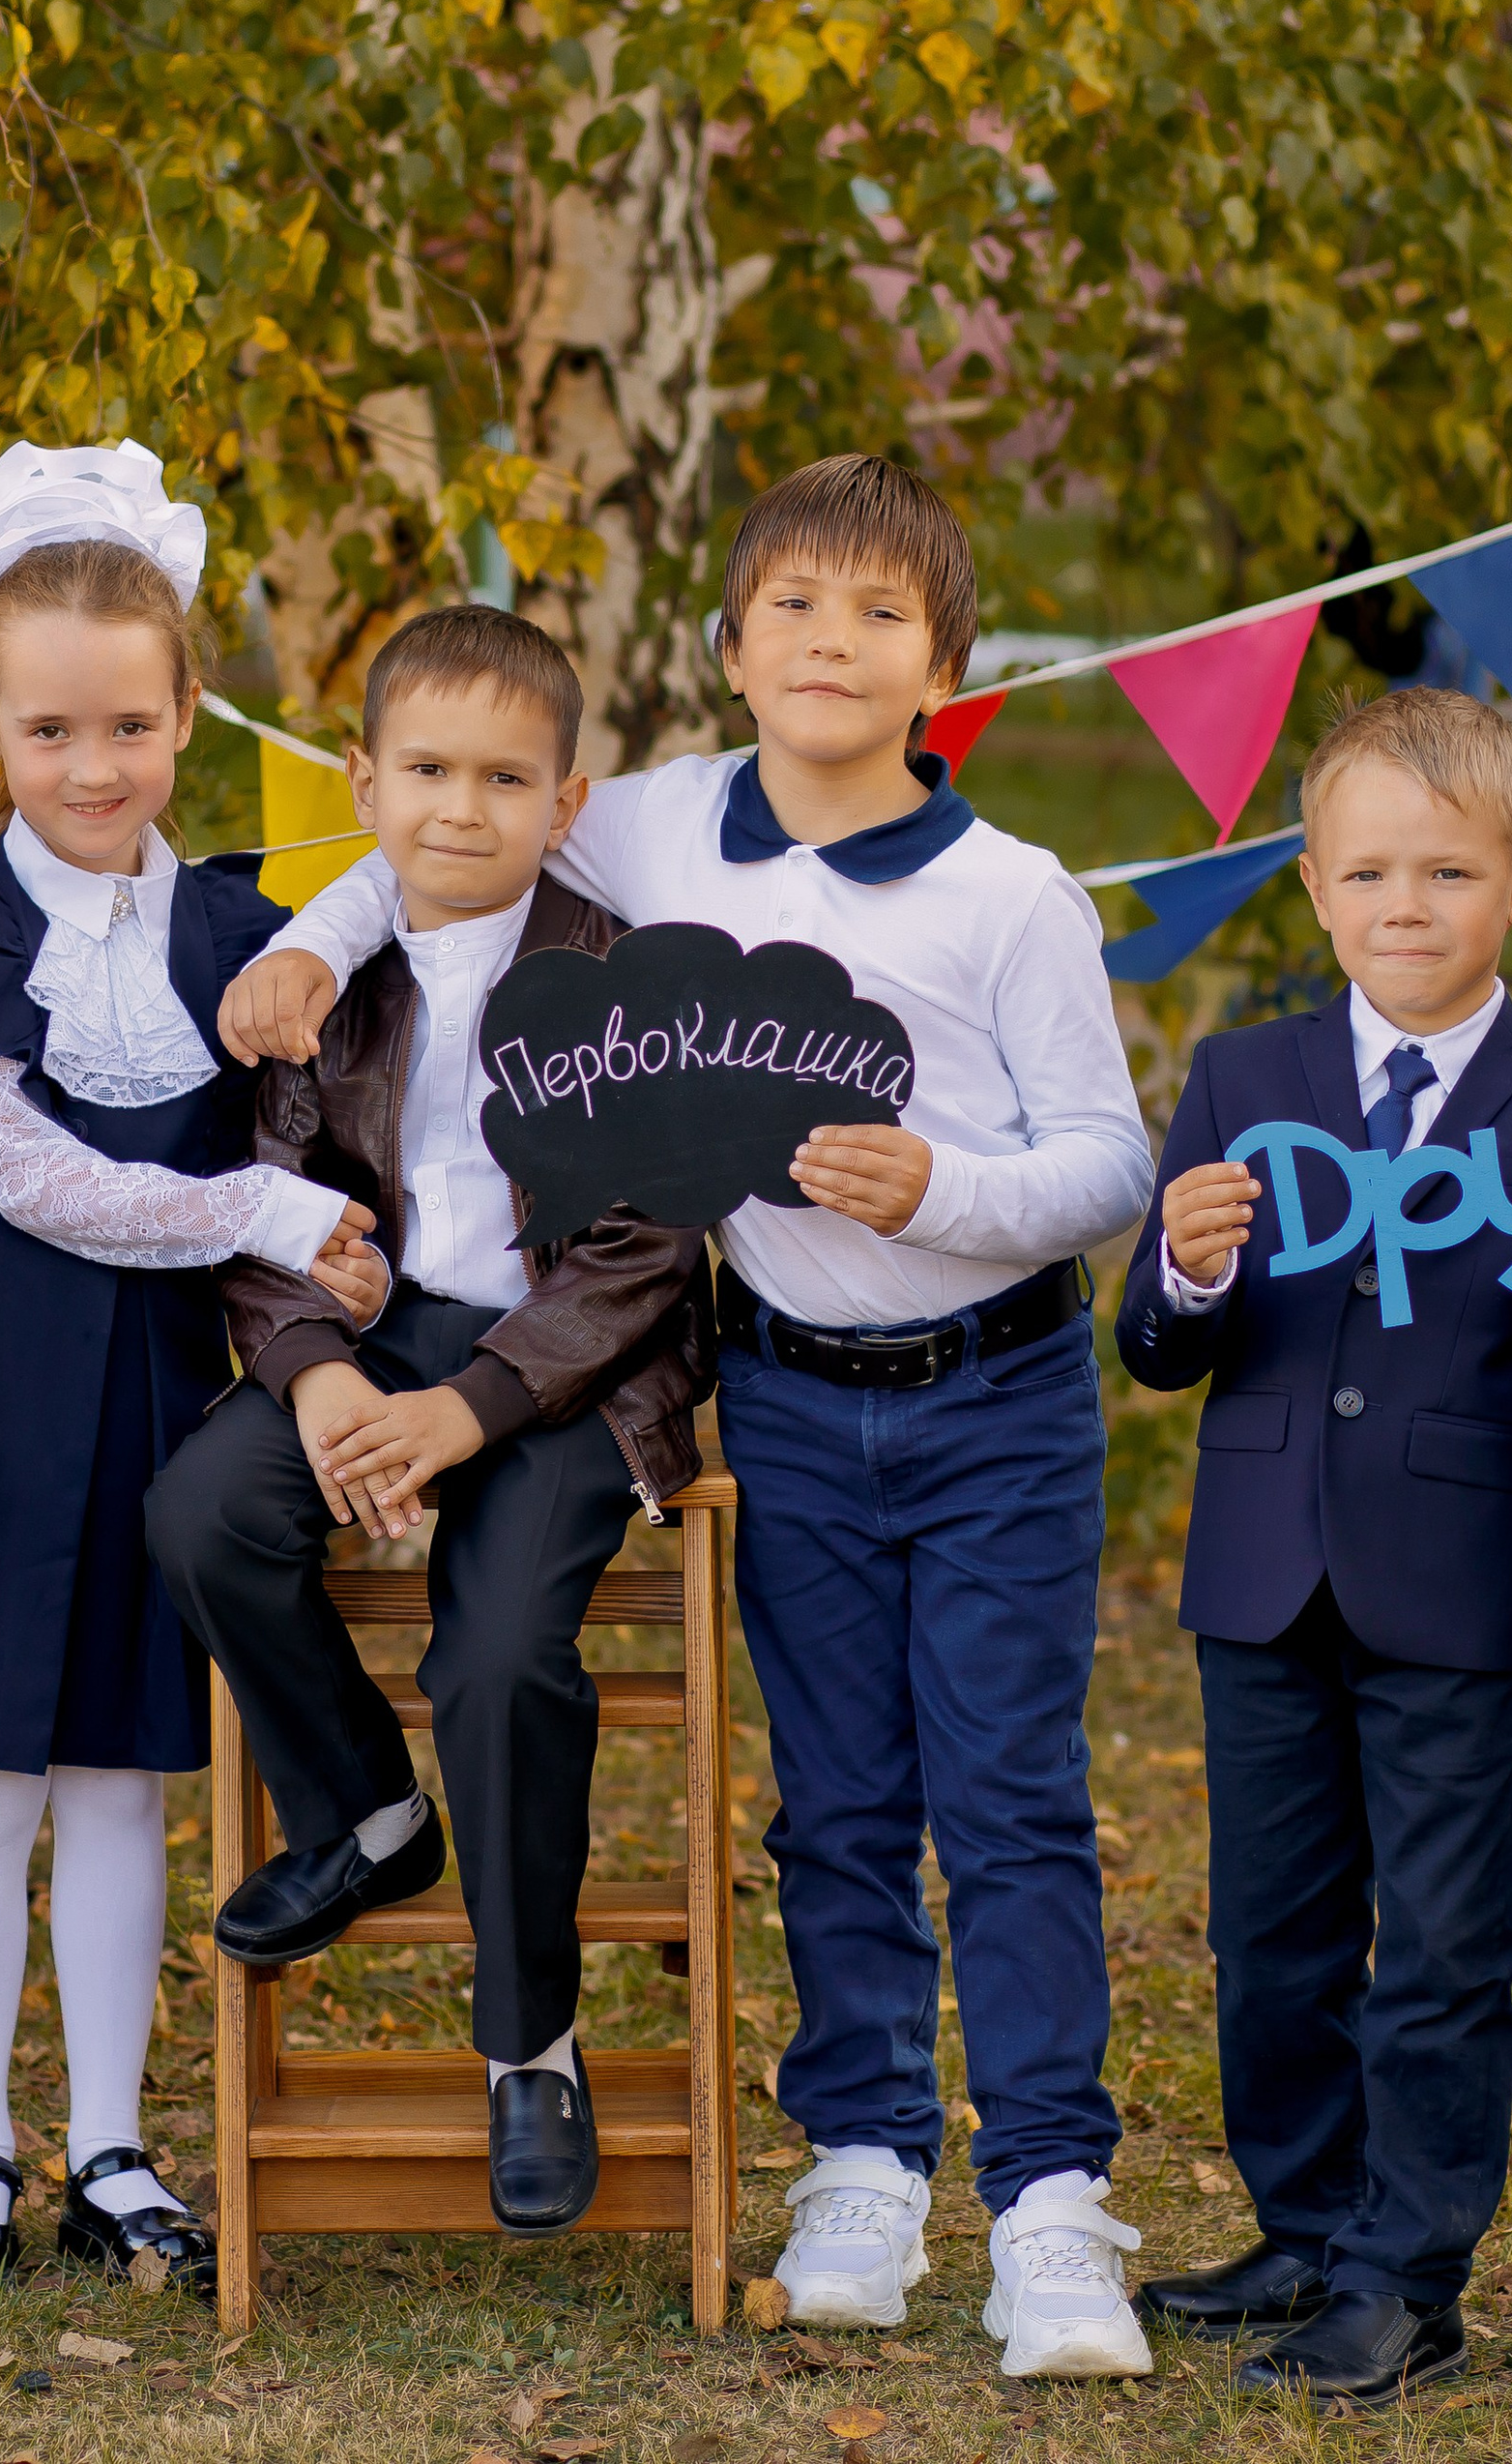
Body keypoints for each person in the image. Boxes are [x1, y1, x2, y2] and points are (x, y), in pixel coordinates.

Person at [218, 456, 1159, 2376]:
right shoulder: (650, 831)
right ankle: (867, 2154)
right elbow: (440, 824)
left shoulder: (1010, 896)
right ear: (728, 651)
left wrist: (944, 1193)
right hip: (791, 1402)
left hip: (992, 1400)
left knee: (1001, 1801)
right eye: (791, 608)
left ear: (944, 664)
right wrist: (312, 935)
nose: (829, 641)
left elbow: (1102, 1160)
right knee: (833, 1800)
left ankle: (1052, 2199)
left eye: (877, 615)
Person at [0, 440, 382, 2305]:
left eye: (137, 728)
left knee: (117, 1782)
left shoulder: (245, 933)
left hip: (167, 1408)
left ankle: (108, 2142)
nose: (98, 770)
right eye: (54, 730)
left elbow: (382, 962)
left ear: (186, 717)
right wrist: (263, 1202)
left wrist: (336, 1235)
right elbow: (30, 1176)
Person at [146, 604, 715, 2235]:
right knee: (202, 1514)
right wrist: (320, 1368)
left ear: (570, 798)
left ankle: (529, 2043)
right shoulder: (323, 982)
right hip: (375, 1331)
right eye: (426, 770)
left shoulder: (620, 978)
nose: (460, 808)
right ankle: (370, 1812)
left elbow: (648, 1247)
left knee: (501, 1654)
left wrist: (469, 1415)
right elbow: (271, 1202)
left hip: (567, 1367)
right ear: (362, 777)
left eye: (504, 777)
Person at [1117, 685, 1512, 2409]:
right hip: (1262, 1570)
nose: (1406, 907)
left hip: (1456, 1580)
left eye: (1447, 874)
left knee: (1447, 1940)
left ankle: (1408, 2276)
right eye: (1370, 872)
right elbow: (1159, 1351)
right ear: (1312, 886)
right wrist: (1189, 1268)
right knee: (1272, 1932)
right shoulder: (1245, 1078)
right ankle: (1310, 2224)